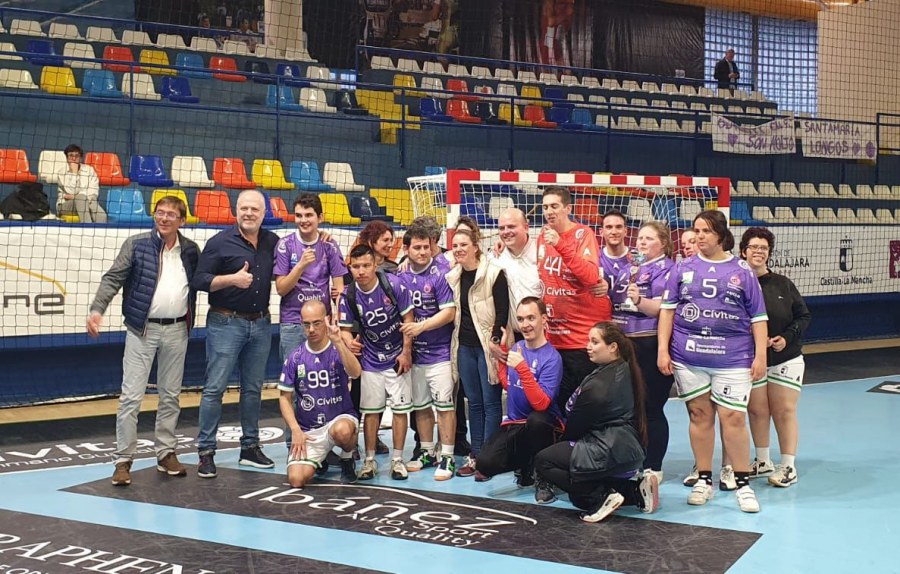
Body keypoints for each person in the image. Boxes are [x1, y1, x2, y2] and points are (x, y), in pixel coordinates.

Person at [658, 210, 768, 513]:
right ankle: (704, 479)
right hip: (688, 355)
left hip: (733, 357)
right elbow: (667, 310)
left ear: (720, 234)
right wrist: (662, 350)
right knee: (698, 415)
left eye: (705, 230)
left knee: (733, 418)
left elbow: (759, 317)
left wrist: (760, 355)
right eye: (696, 230)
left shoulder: (742, 271)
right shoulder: (683, 268)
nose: (699, 236)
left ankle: (742, 483)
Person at [87, 196, 199, 486]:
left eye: (170, 214)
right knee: (131, 398)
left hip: (177, 331)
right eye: (159, 213)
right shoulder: (136, 245)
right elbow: (113, 278)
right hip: (142, 330)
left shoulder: (190, 251)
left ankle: (166, 453)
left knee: (171, 396)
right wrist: (97, 310)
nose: (163, 218)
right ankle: (123, 460)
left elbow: (204, 281)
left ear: (182, 220)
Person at [192, 190, 279, 479]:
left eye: (255, 209)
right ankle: (206, 452)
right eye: (244, 208)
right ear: (236, 211)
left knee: (253, 390)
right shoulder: (219, 243)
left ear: (264, 213)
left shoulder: (272, 242)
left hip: (261, 324)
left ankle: (250, 448)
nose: (249, 213)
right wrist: (232, 279)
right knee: (215, 388)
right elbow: (199, 280)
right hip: (225, 323)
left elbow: (293, 261)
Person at [534, 322, 659, 523]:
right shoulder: (626, 368)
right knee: (579, 473)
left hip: (609, 451)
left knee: (545, 461)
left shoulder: (597, 388)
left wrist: (562, 447)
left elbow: (575, 428)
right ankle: (636, 491)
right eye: (588, 341)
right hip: (629, 451)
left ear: (613, 347)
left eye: (594, 342)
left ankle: (599, 498)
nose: (588, 346)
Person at [740, 228, 811, 488]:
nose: (759, 252)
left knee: (784, 410)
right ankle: (762, 460)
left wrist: (787, 337)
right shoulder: (737, 282)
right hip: (751, 358)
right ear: (743, 251)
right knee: (757, 410)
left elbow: (803, 316)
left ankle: (788, 466)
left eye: (764, 248)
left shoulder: (782, 283)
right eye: (754, 247)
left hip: (785, 357)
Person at [338, 244, 415, 481]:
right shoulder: (348, 295)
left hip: (397, 356)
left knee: (400, 410)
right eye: (356, 266)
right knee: (371, 412)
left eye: (366, 265)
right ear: (350, 267)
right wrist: (349, 342)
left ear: (375, 265)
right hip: (371, 360)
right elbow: (344, 330)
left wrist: (406, 352)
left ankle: (397, 459)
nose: (361, 271)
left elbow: (409, 319)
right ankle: (369, 460)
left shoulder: (393, 285)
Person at [478, 297, 563, 503]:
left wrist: (524, 369)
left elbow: (541, 404)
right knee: (484, 463)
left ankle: (544, 478)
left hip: (541, 425)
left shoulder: (552, 358)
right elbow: (509, 384)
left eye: (531, 318)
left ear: (544, 319)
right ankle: (526, 464)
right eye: (521, 319)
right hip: (515, 424)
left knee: (538, 419)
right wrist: (502, 357)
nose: (525, 324)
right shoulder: (517, 348)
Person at [537, 186, 610, 412]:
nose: (549, 211)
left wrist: (559, 243)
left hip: (579, 342)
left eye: (555, 206)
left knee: (580, 408)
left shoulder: (583, 234)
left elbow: (590, 276)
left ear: (568, 208)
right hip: (552, 340)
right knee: (555, 405)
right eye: (545, 206)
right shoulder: (541, 237)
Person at [446, 228, 510, 481]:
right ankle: (475, 454)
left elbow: (502, 312)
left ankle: (488, 459)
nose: (459, 249)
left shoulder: (494, 273)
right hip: (464, 346)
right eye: (455, 245)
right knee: (473, 402)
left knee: (491, 402)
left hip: (487, 347)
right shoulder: (453, 276)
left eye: (464, 244)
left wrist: (495, 341)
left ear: (476, 246)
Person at [278, 300, 361, 488]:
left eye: (317, 323)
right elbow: (284, 398)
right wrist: (296, 431)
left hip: (339, 419)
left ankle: (347, 458)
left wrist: (339, 341)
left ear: (327, 320)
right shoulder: (295, 357)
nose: (312, 329)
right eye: (306, 324)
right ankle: (321, 457)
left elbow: (356, 373)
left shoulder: (337, 348)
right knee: (296, 480)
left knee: (343, 431)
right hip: (310, 430)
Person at [398, 222, 458, 480]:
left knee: (444, 405)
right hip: (417, 355)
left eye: (426, 247)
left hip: (441, 352)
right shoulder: (400, 275)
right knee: (421, 405)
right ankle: (426, 450)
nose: (422, 252)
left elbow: (449, 312)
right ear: (407, 249)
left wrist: (420, 327)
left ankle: (447, 455)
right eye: (417, 248)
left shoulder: (441, 273)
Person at [620, 221, 676, 482]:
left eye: (648, 238)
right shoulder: (635, 268)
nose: (641, 242)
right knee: (633, 407)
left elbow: (664, 309)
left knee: (652, 407)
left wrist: (640, 300)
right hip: (628, 343)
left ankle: (654, 465)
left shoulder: (668, 269)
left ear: (663, 243)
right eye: (640, 237)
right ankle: (636, 459)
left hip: (651, 342)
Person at [274, 193, 347, 360]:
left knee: (325, 373)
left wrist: (338, 316)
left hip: (323, 321)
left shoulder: (329, 245)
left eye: (308, 215)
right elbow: (281, 289)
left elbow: (339, 288)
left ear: (320, 218)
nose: (303, 220)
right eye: (299, 215)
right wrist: (300, 265)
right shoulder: (285, 245)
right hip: (293, 322)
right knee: (292, 378)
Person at [492, 208, 541, 342]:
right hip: (513, 337)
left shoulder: (543, 253)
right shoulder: (495, 258)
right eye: (502, 228)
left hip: (545, 336)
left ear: (526, 227)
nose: (506, 232)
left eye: (511, 226)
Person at [56, 144, 106, 223]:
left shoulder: (89, 170)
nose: (74, 158)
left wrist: (78, 197)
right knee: (81, 199)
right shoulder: (61, 172)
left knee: (101, 215)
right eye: (71, 155)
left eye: (77, 156)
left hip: (89, 202)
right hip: (66, 206)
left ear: (81, 158)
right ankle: (87, 230)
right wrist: (74, 173)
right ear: (66, 157)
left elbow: (94, 191)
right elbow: (71, 191)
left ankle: (100, 234)